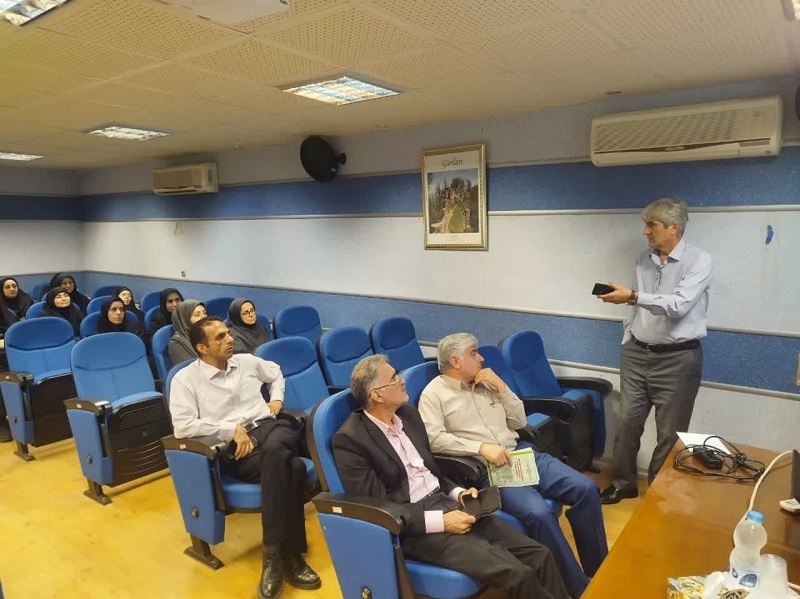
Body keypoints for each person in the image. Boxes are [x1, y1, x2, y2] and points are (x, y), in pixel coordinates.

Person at [333, 354, 569, 599]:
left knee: (540, 554)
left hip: (450, 503)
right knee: (519, 574)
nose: (402, 380)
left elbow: (432, 471)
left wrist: (459, 493)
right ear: (377, 395)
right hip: (416, 528)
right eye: (394, 378)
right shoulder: (351, 440)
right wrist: (442, 521)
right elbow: (380, 508)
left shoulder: (409, 416)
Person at [419, 333, 608, 598]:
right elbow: (434, 439)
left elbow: (520, 421)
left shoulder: (487, 382)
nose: (481, 358)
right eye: (474, 353)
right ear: (455, 361)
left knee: (586, 489)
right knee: (539, 513)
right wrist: (481, 448)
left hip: (521, 453)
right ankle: (578, 588)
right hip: (489, 469)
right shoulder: (434, 394)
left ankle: (601, 570)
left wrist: (501, 387)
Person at [169, 316, 320, 599]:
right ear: (202, 348)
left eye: (228, 333)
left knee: (277, 449)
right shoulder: (185, 380)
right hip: (241, 448)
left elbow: (276, 373)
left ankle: (271, 556)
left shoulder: (247, 362)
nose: (230, 340)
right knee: (293, 468)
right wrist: (231, 430)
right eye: (221, 337)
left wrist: (276, 399)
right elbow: (183, 426)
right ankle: (291, 556)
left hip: (272, 428)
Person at [597, 197, 712, 504]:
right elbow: (636, 307)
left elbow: (678, 306)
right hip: (636, 354)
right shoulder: (643, 259)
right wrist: (628, 335)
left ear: (673, 228)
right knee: (627, 422)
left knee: (670, 434)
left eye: (652, 225)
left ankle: (659, 494)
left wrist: (633, 296)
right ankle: (623, 483)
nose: (645, 231)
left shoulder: (699, 261)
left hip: (678, 360)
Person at [168, 300, 207, 364]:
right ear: (185, 319)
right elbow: (191, 368)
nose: (204, 317)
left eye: (204, 313)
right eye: (197, 315)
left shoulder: (208, 333)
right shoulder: (177, 343)